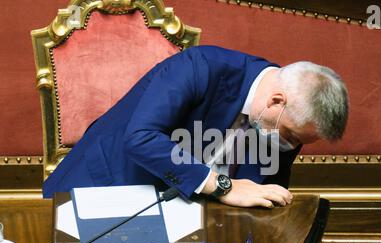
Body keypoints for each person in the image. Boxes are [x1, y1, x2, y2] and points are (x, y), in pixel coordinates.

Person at [43, 45, 348, 208]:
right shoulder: (200, 66)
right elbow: (140, 139)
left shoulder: (288, 117)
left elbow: (262, 187)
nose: (290, 146)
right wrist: (223, 186)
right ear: (275, 101)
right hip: (107, 184)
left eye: (299, 142)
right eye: (290, 136)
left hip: (187, 210)